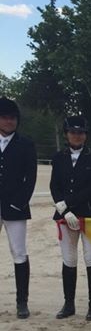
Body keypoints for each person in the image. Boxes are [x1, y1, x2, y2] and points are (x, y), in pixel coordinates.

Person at [50, 115, 91, 320]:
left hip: (90, 214)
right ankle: (69, 303)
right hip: (65, 216)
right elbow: (54, 185)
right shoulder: (58, 157)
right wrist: (65, 211)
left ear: (85, 135)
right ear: (66, 134)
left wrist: (69, 205)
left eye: (80, 132)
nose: (76, 136)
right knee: (69, 259)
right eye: (73, 132)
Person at [0, 97, 37, 318]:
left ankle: (21, 301)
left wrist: (19, 202)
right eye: (4, 118)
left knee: (19, 253)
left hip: (15, 207)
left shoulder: (26, 144)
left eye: (12, 118)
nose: (8, 122)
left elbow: (30, 178)